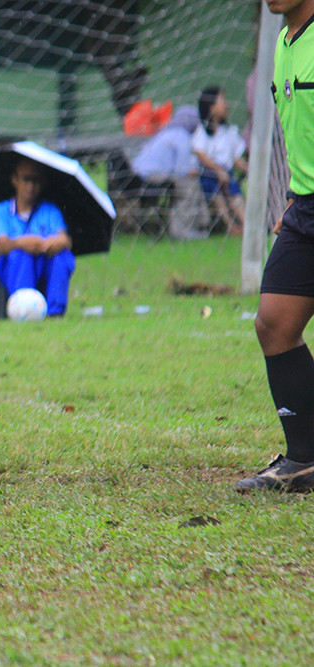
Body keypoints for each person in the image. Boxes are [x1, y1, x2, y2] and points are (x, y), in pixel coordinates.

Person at [235, 0, 314, 492]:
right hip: (304, 210)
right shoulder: (284, 46)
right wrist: (293, 196)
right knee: (273, 324)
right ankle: (304, 458)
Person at [0, 157, 76, 316]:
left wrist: (54, 242)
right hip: (14, 266)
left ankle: (55, 312)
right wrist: (21, 243)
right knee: (21, 255)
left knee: (62, 256)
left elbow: (64, 238)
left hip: (44, 262)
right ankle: (23, 308)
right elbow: (0, 245)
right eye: (26, 179)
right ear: (15, 180)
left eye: (36, 180)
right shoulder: (1, 211)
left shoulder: (49, 210)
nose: (31, 186)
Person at [130, 105, 210, 240]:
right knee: (190, 186)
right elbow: (182, 171)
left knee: (188, 183)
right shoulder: (182, 136)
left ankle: (201, 222)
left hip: (136, 176)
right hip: (153, 177)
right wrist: (194, 171)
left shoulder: (165, 132)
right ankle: (182, 230)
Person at [192, 86, 249, 235]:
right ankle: (230, 225)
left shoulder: (228, 132)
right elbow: (200, 154)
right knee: (217, 179)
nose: (226, 104)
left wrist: (251, 170)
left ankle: (246, 224)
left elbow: (236, 159)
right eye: (222, 101)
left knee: (232, 186)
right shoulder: (202, 132)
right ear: (211, 107)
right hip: (210, 172)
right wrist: (218, 169)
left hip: (227, 173)